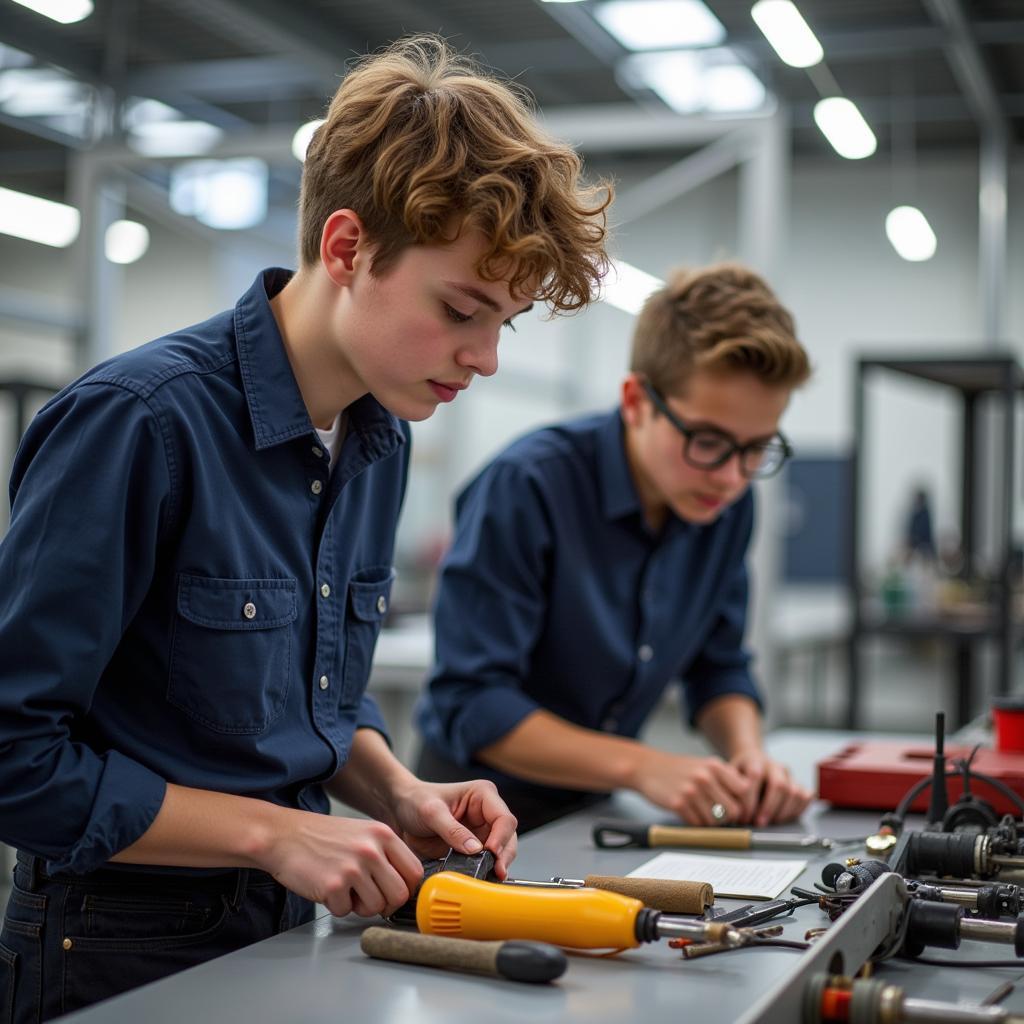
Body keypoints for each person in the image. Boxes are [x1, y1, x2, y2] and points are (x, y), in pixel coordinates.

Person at [0, 36, 611, 1020]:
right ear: (345, 248)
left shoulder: (380, 433)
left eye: (504, 322)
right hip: (116, 951)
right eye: (462, 309)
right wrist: (270, 832)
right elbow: (12, 755)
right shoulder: (141, 424)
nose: (486, 358)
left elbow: (308, 691)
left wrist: (396, 790)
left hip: (290, 929)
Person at [416, 263, 813, 833]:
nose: (731, 477)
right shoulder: (528, 487)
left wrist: (747, 756)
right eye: (708, 441)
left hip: (599, 814)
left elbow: (718, 667)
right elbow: (473, 703)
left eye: (756, 449)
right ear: (636, 401)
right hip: (474, 824)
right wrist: (644, 766)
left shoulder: (722, 506)